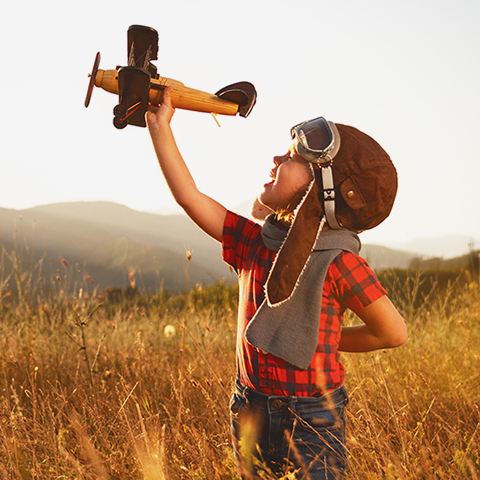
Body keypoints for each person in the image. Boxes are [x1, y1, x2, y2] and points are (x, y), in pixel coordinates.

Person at [147, 87, 408, 480]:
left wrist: (331, 337)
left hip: (312, 421)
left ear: (324, 188)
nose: (276, 158)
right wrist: (159, 126)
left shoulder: (340, 263)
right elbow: (189, 197)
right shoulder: (254, 242)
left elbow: (393, 333)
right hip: (248, 407)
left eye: (291, 159)